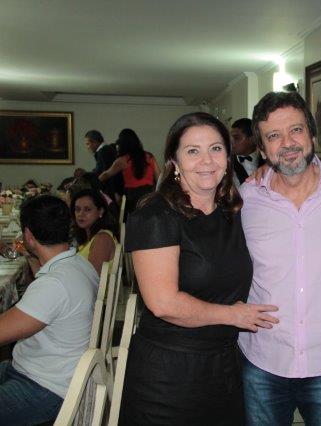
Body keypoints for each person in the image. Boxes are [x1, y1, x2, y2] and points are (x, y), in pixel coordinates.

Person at [119, 112, 279, 425]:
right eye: (193, 150)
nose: (206, 160)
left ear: (228, 157)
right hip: (169, 375)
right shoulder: (156, 216)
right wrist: (234, 315)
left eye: (216, 149)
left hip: (225, 367)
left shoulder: (232, 212)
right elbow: (163, 303)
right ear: (174, 161)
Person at [239, 92, 321, 425]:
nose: (287, 143)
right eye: (273, 136)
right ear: (262, 149)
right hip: (264, 359)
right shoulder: (244, 201)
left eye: (296, 130)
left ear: (312, 135)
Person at [0, 195, 99, 424]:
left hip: (45, 387)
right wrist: (32, 257)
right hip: (40, 369)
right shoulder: (78, 264)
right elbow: (50, 304)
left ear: (28, 235)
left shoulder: (54, 284)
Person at [99, 128, 161, 214]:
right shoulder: (149, 156)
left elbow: (106, 174)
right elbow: (159, 177)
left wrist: (95, 182)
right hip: (149, 193)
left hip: (132, 195)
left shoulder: (122, 160)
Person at [71, 188, 118, 273]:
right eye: (77, 209)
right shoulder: (88, 236)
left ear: (101, 211)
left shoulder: (102, 239)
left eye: (87, 209)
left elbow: (92, 277)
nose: (80, 214)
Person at [84, 130, 123, 198]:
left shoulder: (104, 151)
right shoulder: (103, 150)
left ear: (94, 142)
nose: (87, 147)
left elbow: (110, 173)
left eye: (88, 144)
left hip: (111, 192)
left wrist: (115, 192)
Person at [230, 118, 265, 185]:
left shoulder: (267, 161)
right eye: (231, 138)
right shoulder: (227, 163)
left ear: (252, 139)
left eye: (236, 138)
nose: (232, 142)